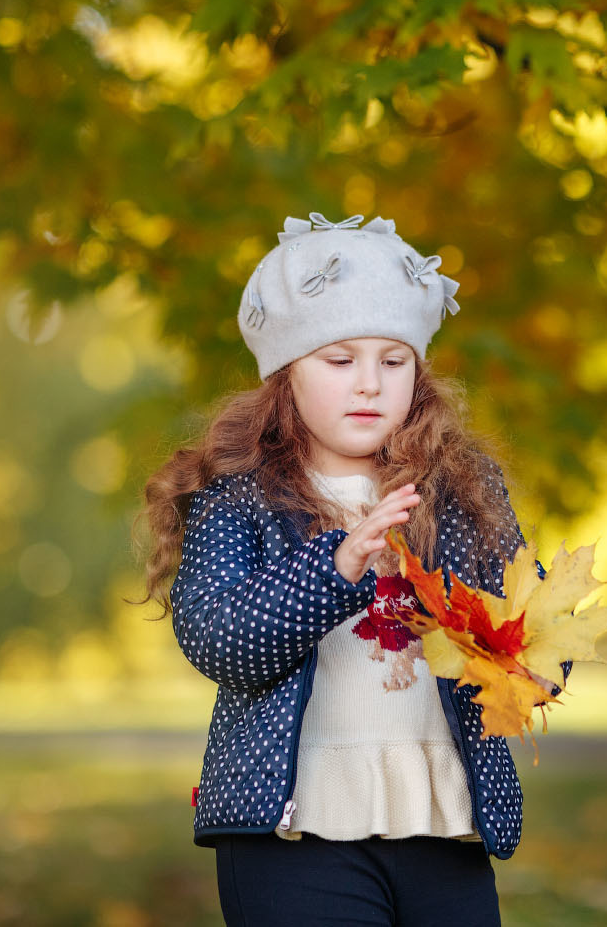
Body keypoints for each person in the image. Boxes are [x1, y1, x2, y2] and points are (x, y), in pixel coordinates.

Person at [139, 213, 528, 925]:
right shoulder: (239, 494)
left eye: (393, 359)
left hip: (441, 816)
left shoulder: (463, 487)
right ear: (287, 376)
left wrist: (530, 660)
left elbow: (513, 631)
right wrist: (338, 563)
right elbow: (219, 640)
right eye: (340, 359)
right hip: (295, 829)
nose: (370, 384)